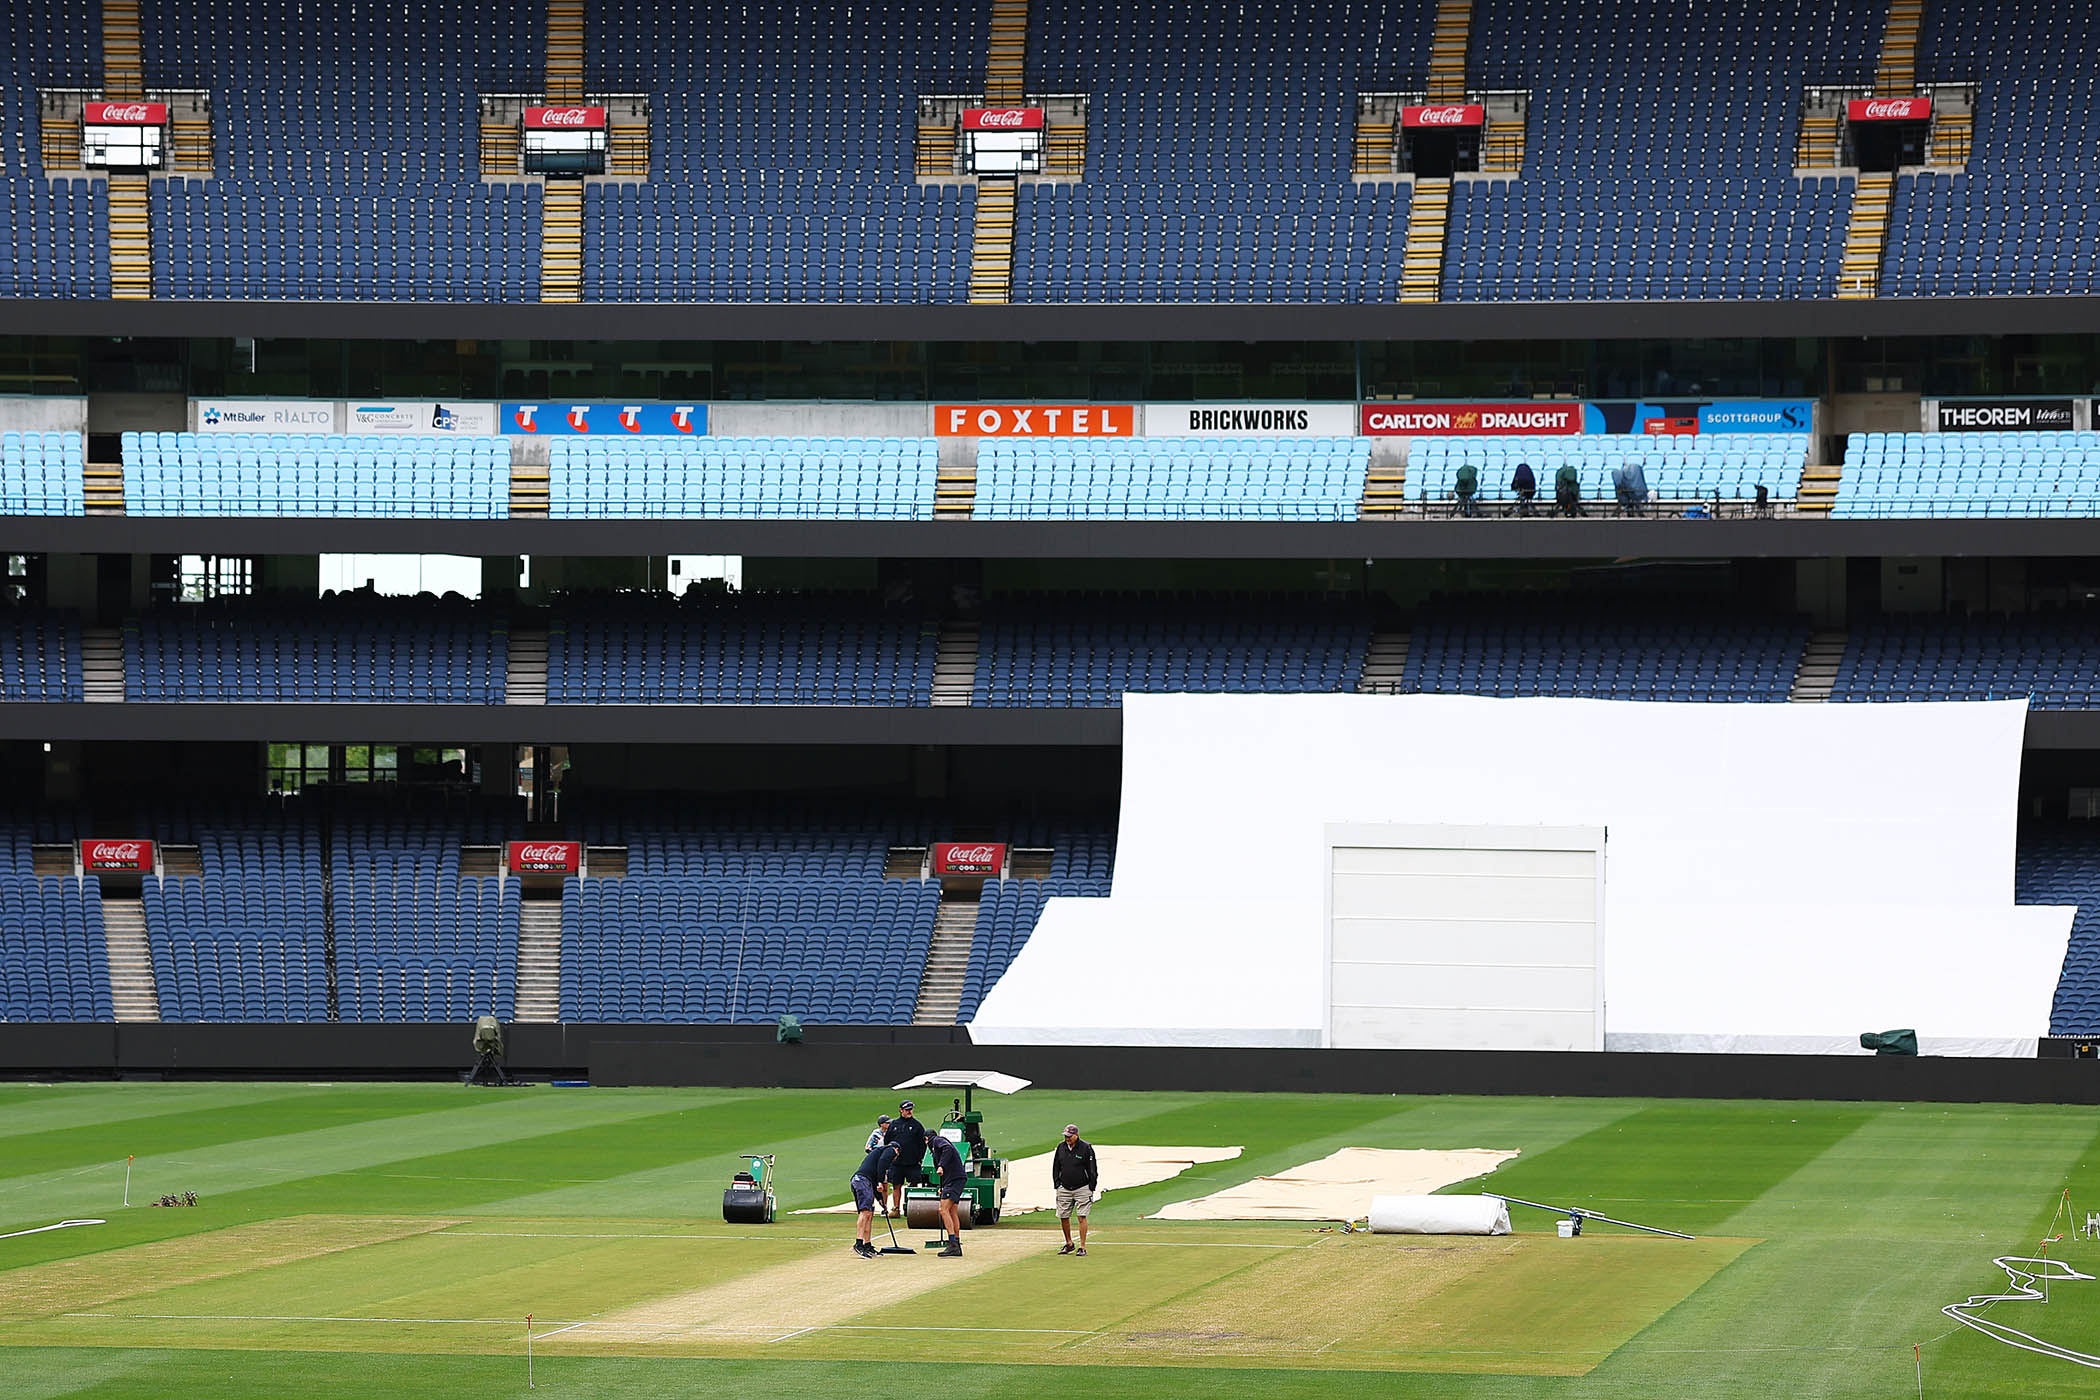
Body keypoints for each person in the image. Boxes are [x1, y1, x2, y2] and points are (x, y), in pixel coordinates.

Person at [1052, 1123, 1100, 1256]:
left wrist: (1092, 1186)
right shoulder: (1061, 1147)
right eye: (1065, 1136)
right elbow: (1056, 1166)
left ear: (1076, 1135)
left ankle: (1082, 1246)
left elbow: (1092, 1168)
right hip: (1064, 1187)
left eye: (1069, 1136)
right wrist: (1057, 1183)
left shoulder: (1085, 1148)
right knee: (1063, 1216)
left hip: (1082, 1187)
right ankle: (1069, 1243)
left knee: (1081, 1216)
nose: (1067, 1138)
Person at [849, 1138, 896, 1258]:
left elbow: (875, 1181)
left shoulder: (877, 1160)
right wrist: (881, 1181)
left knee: (869, 1214)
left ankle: (867, 1244)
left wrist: (881, 1201)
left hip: (864, 1181)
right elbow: (882, 1164)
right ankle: (858, 1244)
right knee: (865, 1212)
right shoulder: (890, 1150)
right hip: (862, 1180)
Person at [926, 1128, 969, 1257]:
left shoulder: (937, 1141)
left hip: (955, 1180)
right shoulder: (935, 1148)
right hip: (955, 1180)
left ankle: (952, 1244)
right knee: (952, 1210)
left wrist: (941, 1165)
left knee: (943, 1210)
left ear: (926, 1139)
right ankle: (956, 1243)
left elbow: (948, 1149)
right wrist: (943, 1186)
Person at [884, 1099, 928, 1217]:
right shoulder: (894, 1125)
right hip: (897, 1162)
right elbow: (887, 1141)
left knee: (913, 1185)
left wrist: (920, 1158)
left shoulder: (917, 1125)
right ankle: (896, 1208)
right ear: (901, 1110)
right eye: (907, 1110)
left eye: (910, 1109)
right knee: (896, 1185)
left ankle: (910, 1208)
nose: (909, 1112)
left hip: (912, 1162)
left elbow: (922, 1143)